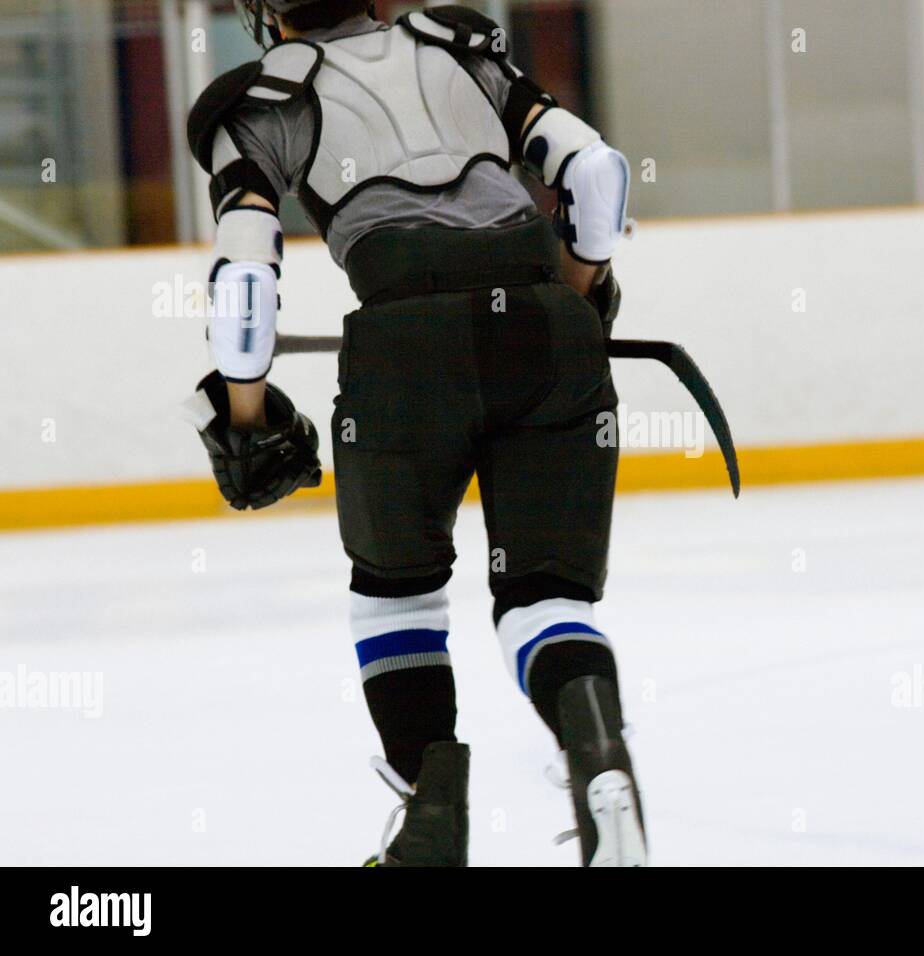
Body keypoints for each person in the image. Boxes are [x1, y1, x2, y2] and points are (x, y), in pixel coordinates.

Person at [185, 0, 643, 866]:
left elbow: (246, 283)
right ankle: (599, 758)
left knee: (396, 597)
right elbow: (596, 174)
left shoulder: (253, 105)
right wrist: (576, 292)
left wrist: (245, 419)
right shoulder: (462, 46)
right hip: (545, 327)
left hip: (403, 348)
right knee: (546, 600)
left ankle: (432, 828)